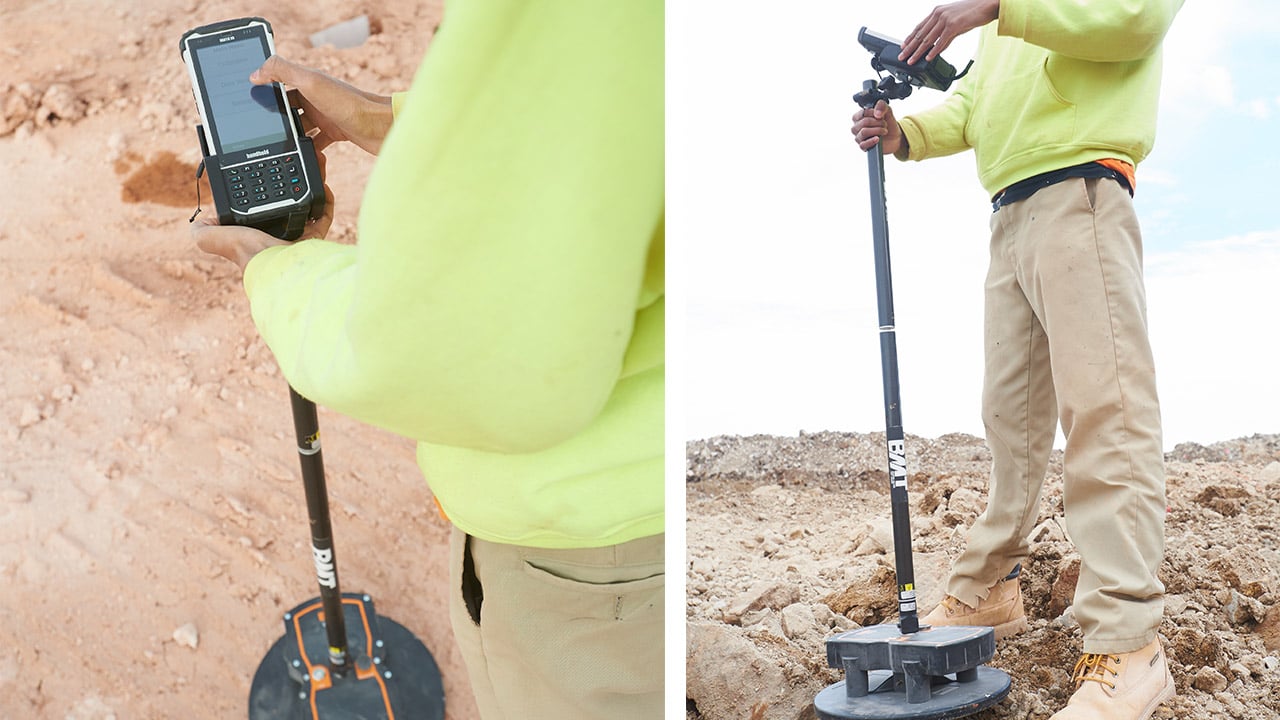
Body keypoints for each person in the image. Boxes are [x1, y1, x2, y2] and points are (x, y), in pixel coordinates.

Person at [190, 3, 664, 719]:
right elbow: (587, 135)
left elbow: (431, 351)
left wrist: (278, 272)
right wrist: (398, 124)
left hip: (587, 559)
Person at [851, 1, 1182, 718]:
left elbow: (1135, 19)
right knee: (1011, 422)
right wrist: (905, 134)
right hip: (1010, 211)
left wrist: (999, 4)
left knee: (1106, 408)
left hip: (1082, 190)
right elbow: (973, 101)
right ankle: (989, 589)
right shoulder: (1005, 27)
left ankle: (1131, 646)